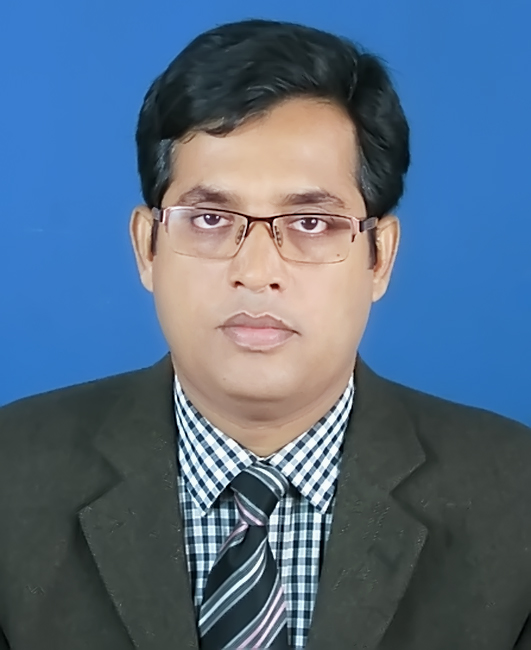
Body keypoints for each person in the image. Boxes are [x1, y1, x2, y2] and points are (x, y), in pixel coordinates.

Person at [0, 17, 530, 650]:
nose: (256, 272)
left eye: (310, 223)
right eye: (210, 218)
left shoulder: (516, 498)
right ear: (147, 247)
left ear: (379, 258)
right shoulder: (12, 477)